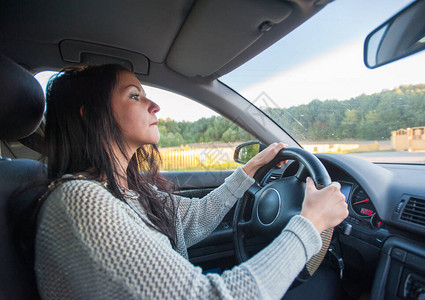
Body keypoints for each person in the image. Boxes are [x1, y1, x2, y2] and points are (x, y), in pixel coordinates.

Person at [34, 64, 348, 299]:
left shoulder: (126, 191)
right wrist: (311, 223)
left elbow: (193, 219)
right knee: (329, 284)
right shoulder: (80, 201)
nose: (154, 105)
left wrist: (249, 170)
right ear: (92, 116)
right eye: (134, 95)